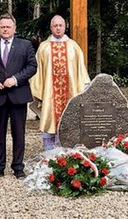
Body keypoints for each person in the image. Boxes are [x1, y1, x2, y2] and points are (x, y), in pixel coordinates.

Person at [0, 14, 37, 180]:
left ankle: (18, 167)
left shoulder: (25, 45)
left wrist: (15, 79)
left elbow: (32, 67)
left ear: (14, 29)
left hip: (18, 95)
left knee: (18, 133)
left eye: (8, 27)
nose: (5, 29)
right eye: (2, 27)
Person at [30, 15, 90, 151]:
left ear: (65, 27)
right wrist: (38, 91)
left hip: (70, 93)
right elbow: (38, 71)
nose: (58, 28)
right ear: (51, 28)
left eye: (60, 25)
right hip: (50, 94)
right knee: (49, 120)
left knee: (70, 122)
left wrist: (83, 90)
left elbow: (81, 70)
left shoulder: (73, 46)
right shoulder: (44, 47)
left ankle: (69, 155)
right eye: (55, 26)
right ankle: (49, 155)